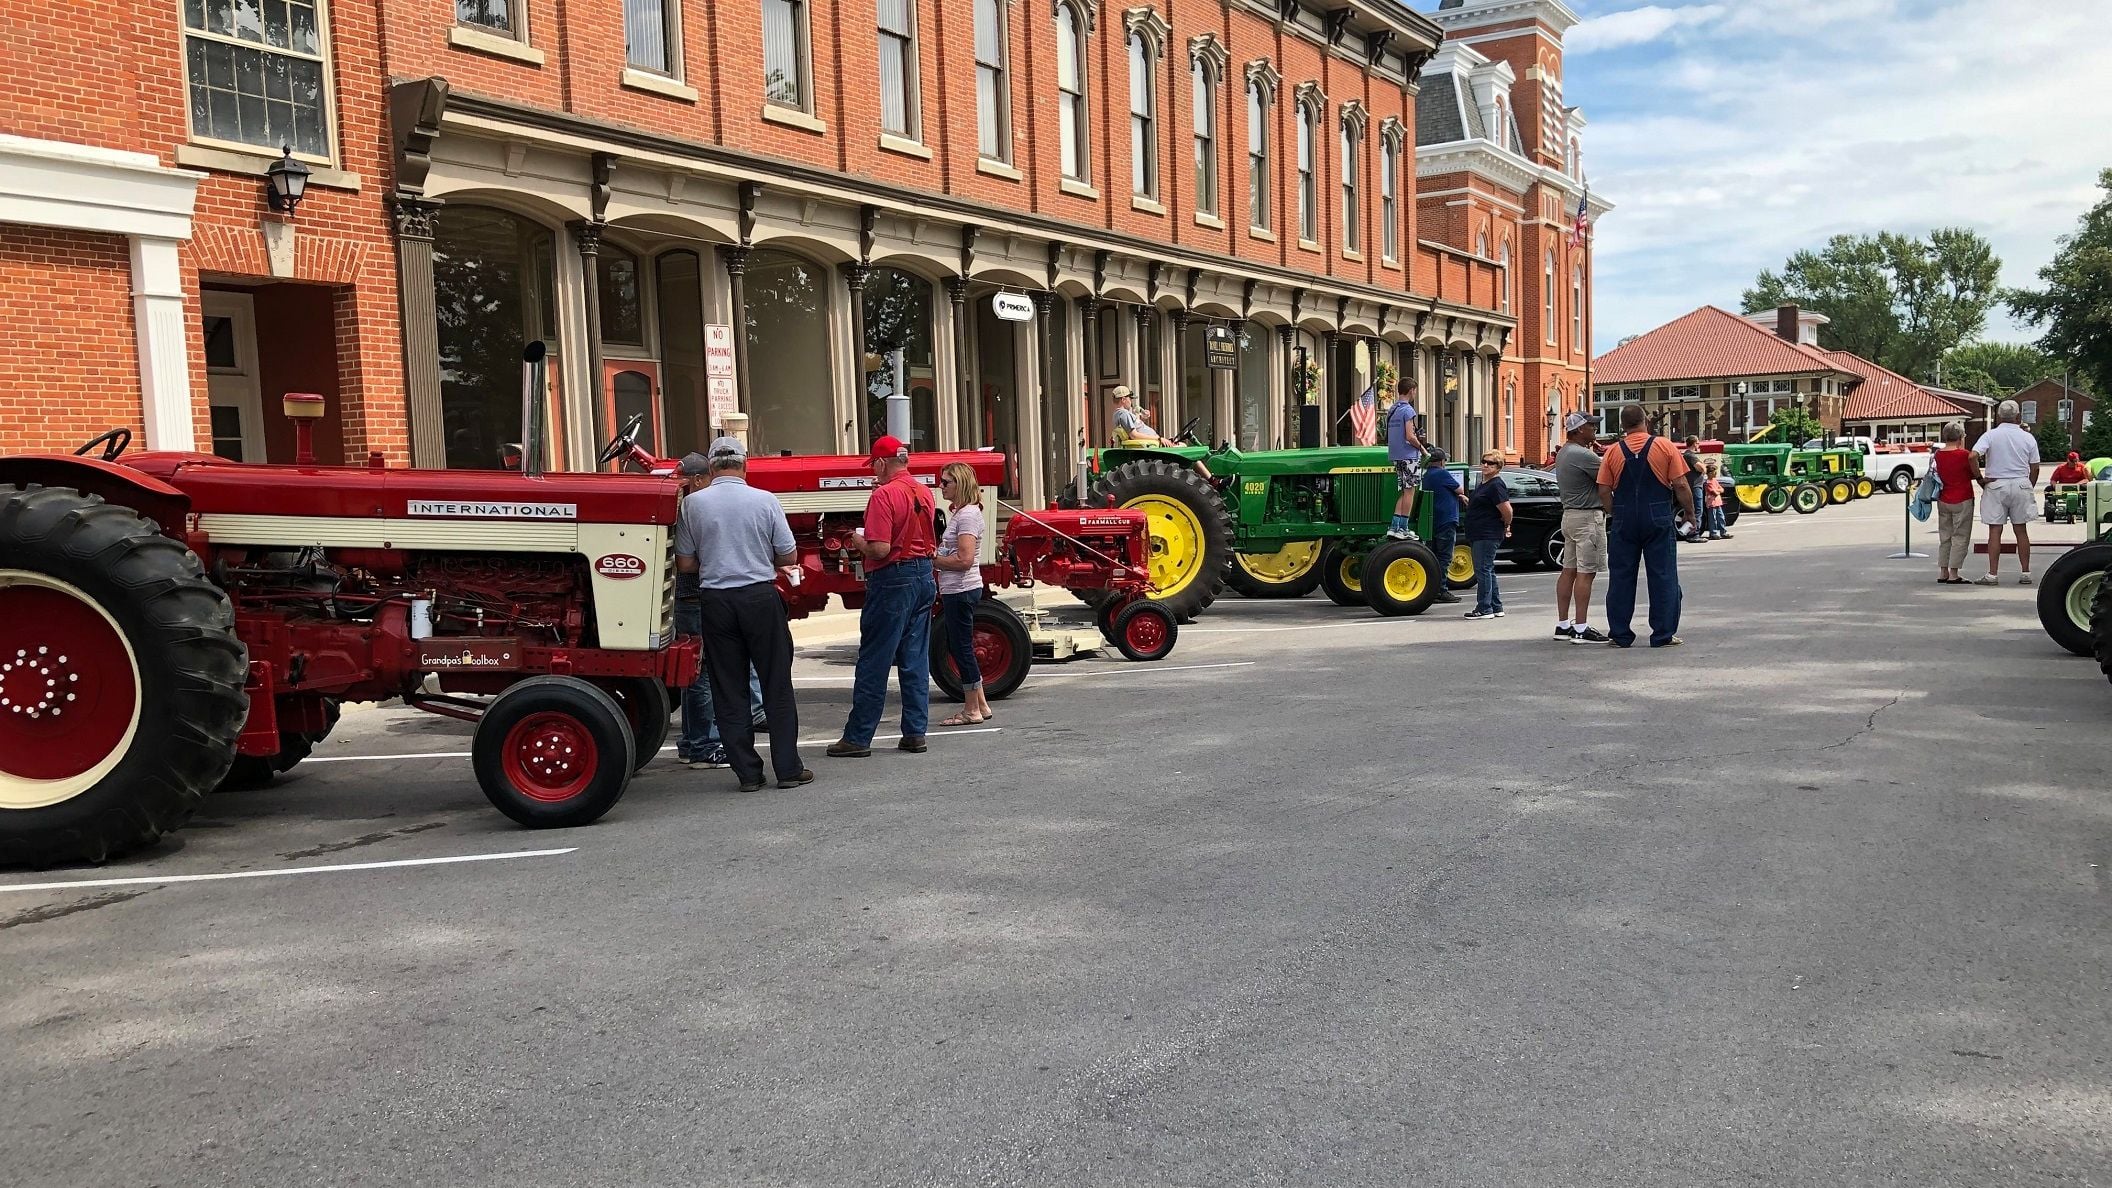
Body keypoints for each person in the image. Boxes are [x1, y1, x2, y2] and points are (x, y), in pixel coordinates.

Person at [674, 437, 811, 792]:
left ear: (712, 467)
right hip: (759, 596)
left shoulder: (694, 505)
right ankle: (788, 768)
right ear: (744, 465)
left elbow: (686, 562)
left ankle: (748, 773)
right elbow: (788, 556)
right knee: (775, 684)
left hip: (716, 600)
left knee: (728, 687)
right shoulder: (765, 501)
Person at [831, 435, 939, 757]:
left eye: (874, 466)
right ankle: (915, 732)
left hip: (893, 579)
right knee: (915, 658)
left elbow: (879, 549)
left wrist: (856, 540)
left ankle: (858, 737)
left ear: (881, 463)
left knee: (875, 659)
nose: (873, 472)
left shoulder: (883, 495)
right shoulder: (924, 492)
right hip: (923, 575)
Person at [1597, 404, 1696, 648]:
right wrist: (1690, 514)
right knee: (1663, 575)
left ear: (1622, 426)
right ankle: (1662, 634)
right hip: (1658, 514)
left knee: (1621, 576)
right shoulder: (1664, 446)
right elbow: (1681, 484)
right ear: (1645, 421)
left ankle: (1620, 634)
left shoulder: (1613, 452)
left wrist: (1615, 512)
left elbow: (1604, 489)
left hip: (1624, 517)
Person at [933, 461, 993, 726]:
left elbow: (964, 559)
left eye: (946, 482)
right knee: (962, 647)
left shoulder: (967, 515)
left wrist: (932, 559)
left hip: (961, 588)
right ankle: (981, 704)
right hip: (959, 588)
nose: (941, 486)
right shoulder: (964, 513)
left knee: (961, 649)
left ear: (960, 484)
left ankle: (971, 710)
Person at [1552, 412, 1610, 644]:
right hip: (1588, 518)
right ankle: (1581, 627)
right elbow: (1610, 475)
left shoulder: (1564, 453)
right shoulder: (1583, 455)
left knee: (1569, 570)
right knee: (1587, 572)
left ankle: (1563, 623)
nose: (1594, 431)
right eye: (1590, 427)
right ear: (1578, 431)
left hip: (1570, 516)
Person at [1971, 399, 2041, 586]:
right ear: (2018, 416)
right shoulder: (2027, 437)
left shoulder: (1991, 435)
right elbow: (2034, 467)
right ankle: (2025, 572)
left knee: (1995, 530)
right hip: (2020, 483)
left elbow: (1972, 456)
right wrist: (2029, 485)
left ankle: (1992, 574)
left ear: (1999, 416)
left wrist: (1979, 478)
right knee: (2021, 530)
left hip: (1996, 484)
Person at [1461, 452, 1512, 620]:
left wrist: (1506, 523)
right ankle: (1496, 606)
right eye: (1483, 462)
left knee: (1482, 570)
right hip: (1479, 531)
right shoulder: (1485, 484)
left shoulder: (1496, 485)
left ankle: (1484, 608)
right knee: (1488, 569)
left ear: (1498, 467)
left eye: (1490, 463)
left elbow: (1507, 510)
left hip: (1487, 533)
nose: (1485, 465)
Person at [1932, 422, 1975, 585]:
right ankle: (1954, 573)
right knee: (1960, 536)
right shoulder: (1965, 455)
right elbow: (1971, 473)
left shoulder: (1938, 454)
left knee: (1945, 536)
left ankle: (1943, 570)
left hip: (1943, 498)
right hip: (1962, 498)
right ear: (1961, 437)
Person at [1419, 448, 1463, 604]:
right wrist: (1461, 495)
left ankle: (1431, 589)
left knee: (1433, 556)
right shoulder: (1442, 474)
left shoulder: (1426, 475)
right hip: (1446, 519)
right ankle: (1441, 590)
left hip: (1432, 520)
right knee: (1444, 557)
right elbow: (1460, 488)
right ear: (1442, 461)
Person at [1385, 379, 1426, 540]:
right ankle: (1403, 527)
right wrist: (1421, 448)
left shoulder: (1392, 409)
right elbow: (1410, 435)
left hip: (1395, 454)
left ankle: (1394, 527)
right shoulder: (1408, 410)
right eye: (1415, 391)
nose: (1415, 394)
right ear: (1411, 391)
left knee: (1404, 490)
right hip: (1409, 455)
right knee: (1410, 491)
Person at [1680, 435, 1708, 544]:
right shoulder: (1690, 455)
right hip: (1695, 486)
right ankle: (1694, 534)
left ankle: (1688, 532)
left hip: (1691, 485)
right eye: (1698, 443)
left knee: (1691, 510)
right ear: (1694, 443)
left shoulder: (1686, 455)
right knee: (1697, 510)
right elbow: (1700, 468)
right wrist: (1704, 467)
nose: (1699, 445)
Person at [1702, 459, 1732, 541]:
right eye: (1714, 472)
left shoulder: (1715, 480)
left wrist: (1718, 491)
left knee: (1721, 517)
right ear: (1710, 473)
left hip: (1718, 502)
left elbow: (1721, 489)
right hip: (1711, 503)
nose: (1715, 473)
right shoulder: (1708, 482)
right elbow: (1714, 492)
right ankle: (1713, 533)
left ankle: (1723, 532)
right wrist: (1718, 491)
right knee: (1713, 518)